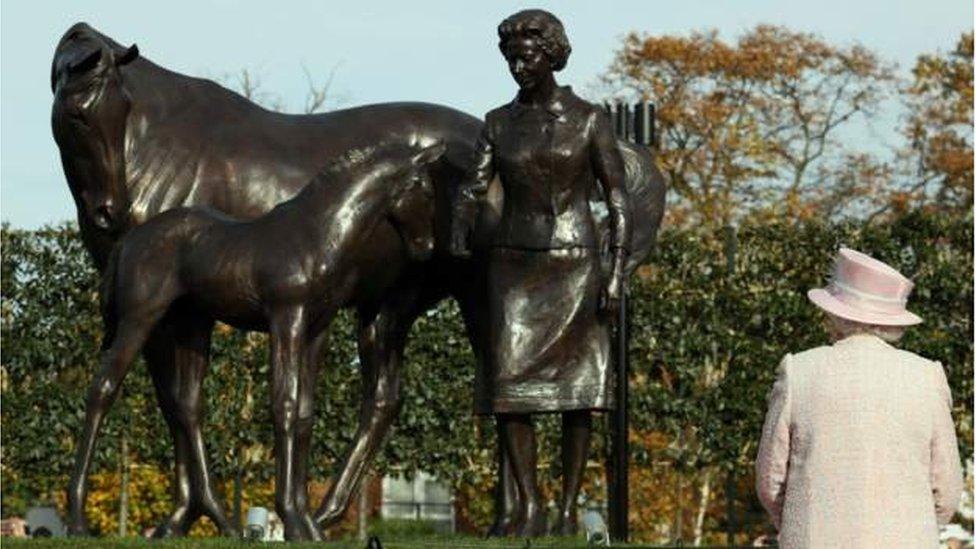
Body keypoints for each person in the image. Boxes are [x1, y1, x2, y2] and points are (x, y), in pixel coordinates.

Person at [450, 9, 630, 537]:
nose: (517, 66)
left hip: (576, 263)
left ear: (552, 55)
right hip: (513, 265)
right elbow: (473, 186)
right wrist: (459, 233)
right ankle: (527, 503)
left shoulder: (590, 119)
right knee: (509, 389)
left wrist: (616, 270)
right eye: (510, 57)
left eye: (526, 56)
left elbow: (616, 194)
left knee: (581, 393)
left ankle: (569, 506)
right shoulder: (497, 122)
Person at [756, 247, 964, 548]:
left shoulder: (799, 370)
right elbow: (946, 487)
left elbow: (770, 479)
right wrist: (914, 527)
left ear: (833, 313)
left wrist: (796, 522)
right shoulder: (926, 376)